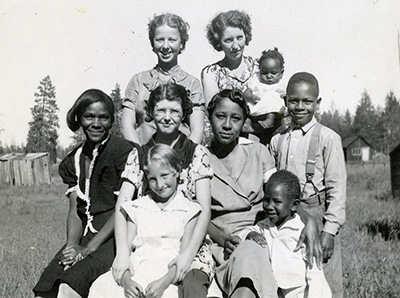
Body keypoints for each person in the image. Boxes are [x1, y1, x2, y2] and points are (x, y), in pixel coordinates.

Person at [205, 89, 322, 298]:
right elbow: (196, 212)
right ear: (209, 117)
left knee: (253, 255)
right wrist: (222, 238)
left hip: (259, 234)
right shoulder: (201, 157)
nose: (227, 125)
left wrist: (309, 220)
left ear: (244, 123)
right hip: (218, 238)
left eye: (236, 119)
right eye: (220, 116)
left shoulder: (258, 152)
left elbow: (281, 195)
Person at [112, 82, 214, 298]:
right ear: (150, 112)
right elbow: (122, 206)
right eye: (161, 110)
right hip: (147, 240)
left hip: (189, 242)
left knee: (190, 285)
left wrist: (187, 256)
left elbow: (204, 210)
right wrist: (122, 253)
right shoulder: (138, 155)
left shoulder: (197, 154)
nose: (167, 117)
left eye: (175, 111)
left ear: (184, 114)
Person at [33, 89, 135, 298]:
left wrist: (87, 250)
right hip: (87, 235)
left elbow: (123, 208)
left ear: (111, 120)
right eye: (89, 116)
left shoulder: (123, 152)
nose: (96, 124)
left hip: (116, 235)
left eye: (103, 117)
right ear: (79, 118)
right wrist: (72, 246)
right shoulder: (73, 160)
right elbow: (75, 210)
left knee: (70, 285)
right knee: (46, 288)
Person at [88, 144, 202, 298]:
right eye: (152, 179)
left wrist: (163, 283)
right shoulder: (137, 207)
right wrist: (127, 282)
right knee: (103, 289)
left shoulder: (189, 210)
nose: (160, 185)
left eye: (165, 176)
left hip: (168, 274)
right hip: (137, 269)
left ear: (177, 172)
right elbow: (125, 254)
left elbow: (183, 258)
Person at [270, 72, 347, 298]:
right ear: (285, 102)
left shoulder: (328, 138)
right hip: (286, 217)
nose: (300, 107)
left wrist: (329, 231)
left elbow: (337, 190)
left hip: (317, 213)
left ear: (318, 103)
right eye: (294, 101)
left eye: (307, 101)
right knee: (290, 277)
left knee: (325, 280)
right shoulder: (278, 139)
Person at [239, 170, 331, 298]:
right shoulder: (264, 225)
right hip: (273, 291)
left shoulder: (301, 231)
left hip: (300, 293)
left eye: (277, 202)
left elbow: (315, 273)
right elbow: (243, 233)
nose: (269, 206)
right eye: (266, 200)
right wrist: (250, 235)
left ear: (294, 205)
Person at [121, 13, 205, 145]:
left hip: (180, 158)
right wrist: (139, 156)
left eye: (172, 40)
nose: (165, 46)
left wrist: (185, 157)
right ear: (152, 43)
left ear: (182, 43)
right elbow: (127, 125)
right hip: (144, 157)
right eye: (160, 40)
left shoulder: (192, 84)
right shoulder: (138, 81)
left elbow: (197, 129)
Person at [243, 48, 287, 144]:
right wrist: (250, 97)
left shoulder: (279, 85)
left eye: (273, 73)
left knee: (272, 98)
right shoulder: (256, 80)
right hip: (256, 106)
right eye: (264, 73)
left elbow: (284, 95)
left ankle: (269, 120)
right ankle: (248, 124)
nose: (268, 76)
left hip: (270, 110)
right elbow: (246, 91)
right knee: (245, 108)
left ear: (281, 73)